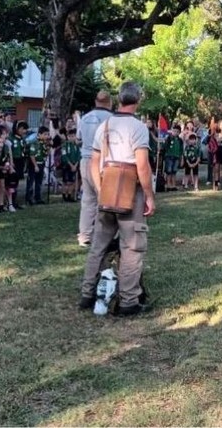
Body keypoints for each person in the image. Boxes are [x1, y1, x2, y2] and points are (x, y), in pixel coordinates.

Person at [79, 81, 155, 317]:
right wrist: (149, 195)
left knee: (98, 245)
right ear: (138, 99)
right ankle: (128, 301)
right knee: (132, 247)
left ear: (119, 99)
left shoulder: (106, 124)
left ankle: (87, 294)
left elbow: (94, 161)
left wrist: (101, 188)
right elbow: (142, 165)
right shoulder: (138, 127)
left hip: (107, 188)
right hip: (130, 189)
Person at [77, 92, 114, 247]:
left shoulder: (85, 118)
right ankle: (101, 235)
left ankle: (84, 234)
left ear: (95, 101)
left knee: (87, 199)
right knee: (104, 199)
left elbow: (78, 139)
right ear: (110, 102)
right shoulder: (110, 119)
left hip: (85, 160)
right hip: (101, 161)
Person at [6, 121, 29, 211]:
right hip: (13, 161)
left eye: (25, 129)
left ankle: (14, 202)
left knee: (16, 183)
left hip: (20, 161)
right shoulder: (10, 138)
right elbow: (8, 152)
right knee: (11, 183)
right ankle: (9, 203)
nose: (24, 131)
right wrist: (10, 163)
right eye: (22, 129)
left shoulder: (22, 139)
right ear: (16, 128)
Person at [25, 126, 50, 205]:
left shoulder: (44, 143)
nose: (47, 136)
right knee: (31, 181)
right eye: (45, 134)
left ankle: (38, 197)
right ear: (39, 134)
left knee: (39, 182)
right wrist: (35, 165)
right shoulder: (35, 142)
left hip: (41, 163)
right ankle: (29, 198)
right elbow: (32, 155)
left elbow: (46, 154)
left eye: (47, 134)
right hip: (34, 164)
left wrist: (49, 147)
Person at [61, 130, 82, 202]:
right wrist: (70, 165)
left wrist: (75, 165)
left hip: (74, 165)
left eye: (73, 136)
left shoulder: (76, 146)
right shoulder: (64, 145)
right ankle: (64, 195)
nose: (71, 138)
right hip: (66, 165)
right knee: (66, 182)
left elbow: (79, 156)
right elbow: (64, 156)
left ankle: (70, 195)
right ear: (67, 137)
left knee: (72, 181)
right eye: (70, 136)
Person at [163, 125, 183, 191]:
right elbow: (165, 147)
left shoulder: (180, 140)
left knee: (174, 171)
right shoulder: (169, 138)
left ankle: (173, 185)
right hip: (169, 156)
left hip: (176, 157)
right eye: (174, 131)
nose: (175, 133)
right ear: (172, 131)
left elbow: (181, 150)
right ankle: (168, 185)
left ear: (179, 132)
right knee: (169, 171)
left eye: (177, 131)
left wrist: (181, 158)